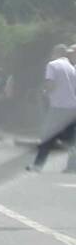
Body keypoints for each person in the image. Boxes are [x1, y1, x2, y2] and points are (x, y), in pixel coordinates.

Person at [28, 44, 76, 173]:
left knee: (48, 137)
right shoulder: (72, 68)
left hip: (58, 106)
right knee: (72, 140)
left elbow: (50, 84)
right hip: (72, 108)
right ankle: (73, 166)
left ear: (56, 53)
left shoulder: (53, 65)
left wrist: (44, 92)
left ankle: (38, 165)